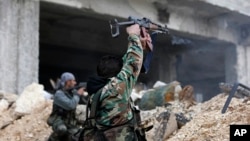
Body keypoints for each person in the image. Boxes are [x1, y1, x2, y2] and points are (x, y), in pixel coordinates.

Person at [86, 24, 152, 141]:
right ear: (116, 75)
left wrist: (140, 45)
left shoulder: (100, 89)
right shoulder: (115, 89)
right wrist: (133, 36)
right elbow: (133, 64)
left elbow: (126, 64)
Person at [47, 72, 85, 141]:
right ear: (68, 82)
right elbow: (70, 105)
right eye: (73, 81)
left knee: (79, 135)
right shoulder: (59, 94)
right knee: (62, 129)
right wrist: (78, 95)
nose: (75, 83)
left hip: (70, 122)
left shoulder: (73, 92)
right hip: (58, 121)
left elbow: (84, 102)